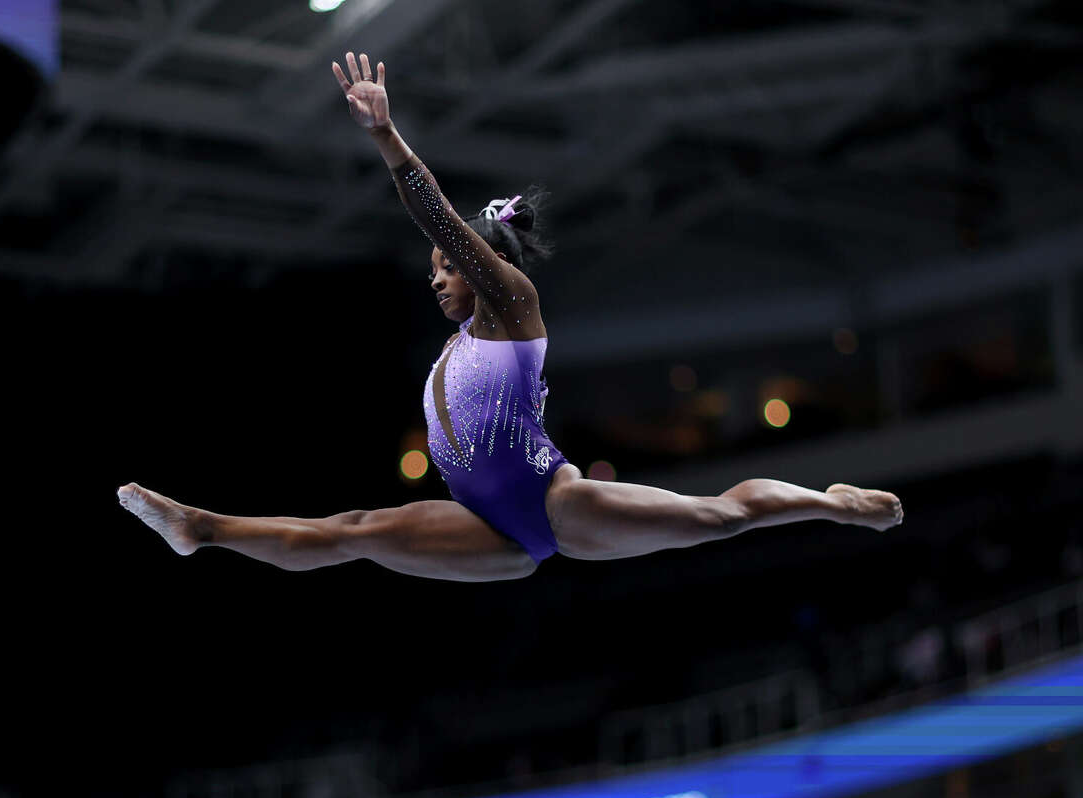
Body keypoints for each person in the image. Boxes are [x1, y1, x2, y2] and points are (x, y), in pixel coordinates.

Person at [117, 51, 903, 583]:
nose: (438, 278)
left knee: (719, 518)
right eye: (432, 272)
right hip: (483, 527)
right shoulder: (457, 348)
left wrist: (385, 133)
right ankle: (201, 526)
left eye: (449, 265)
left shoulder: (513, 311)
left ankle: (830, 502)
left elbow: (436, 215)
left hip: (556, 505)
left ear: (488, 267)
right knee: (353, 529)